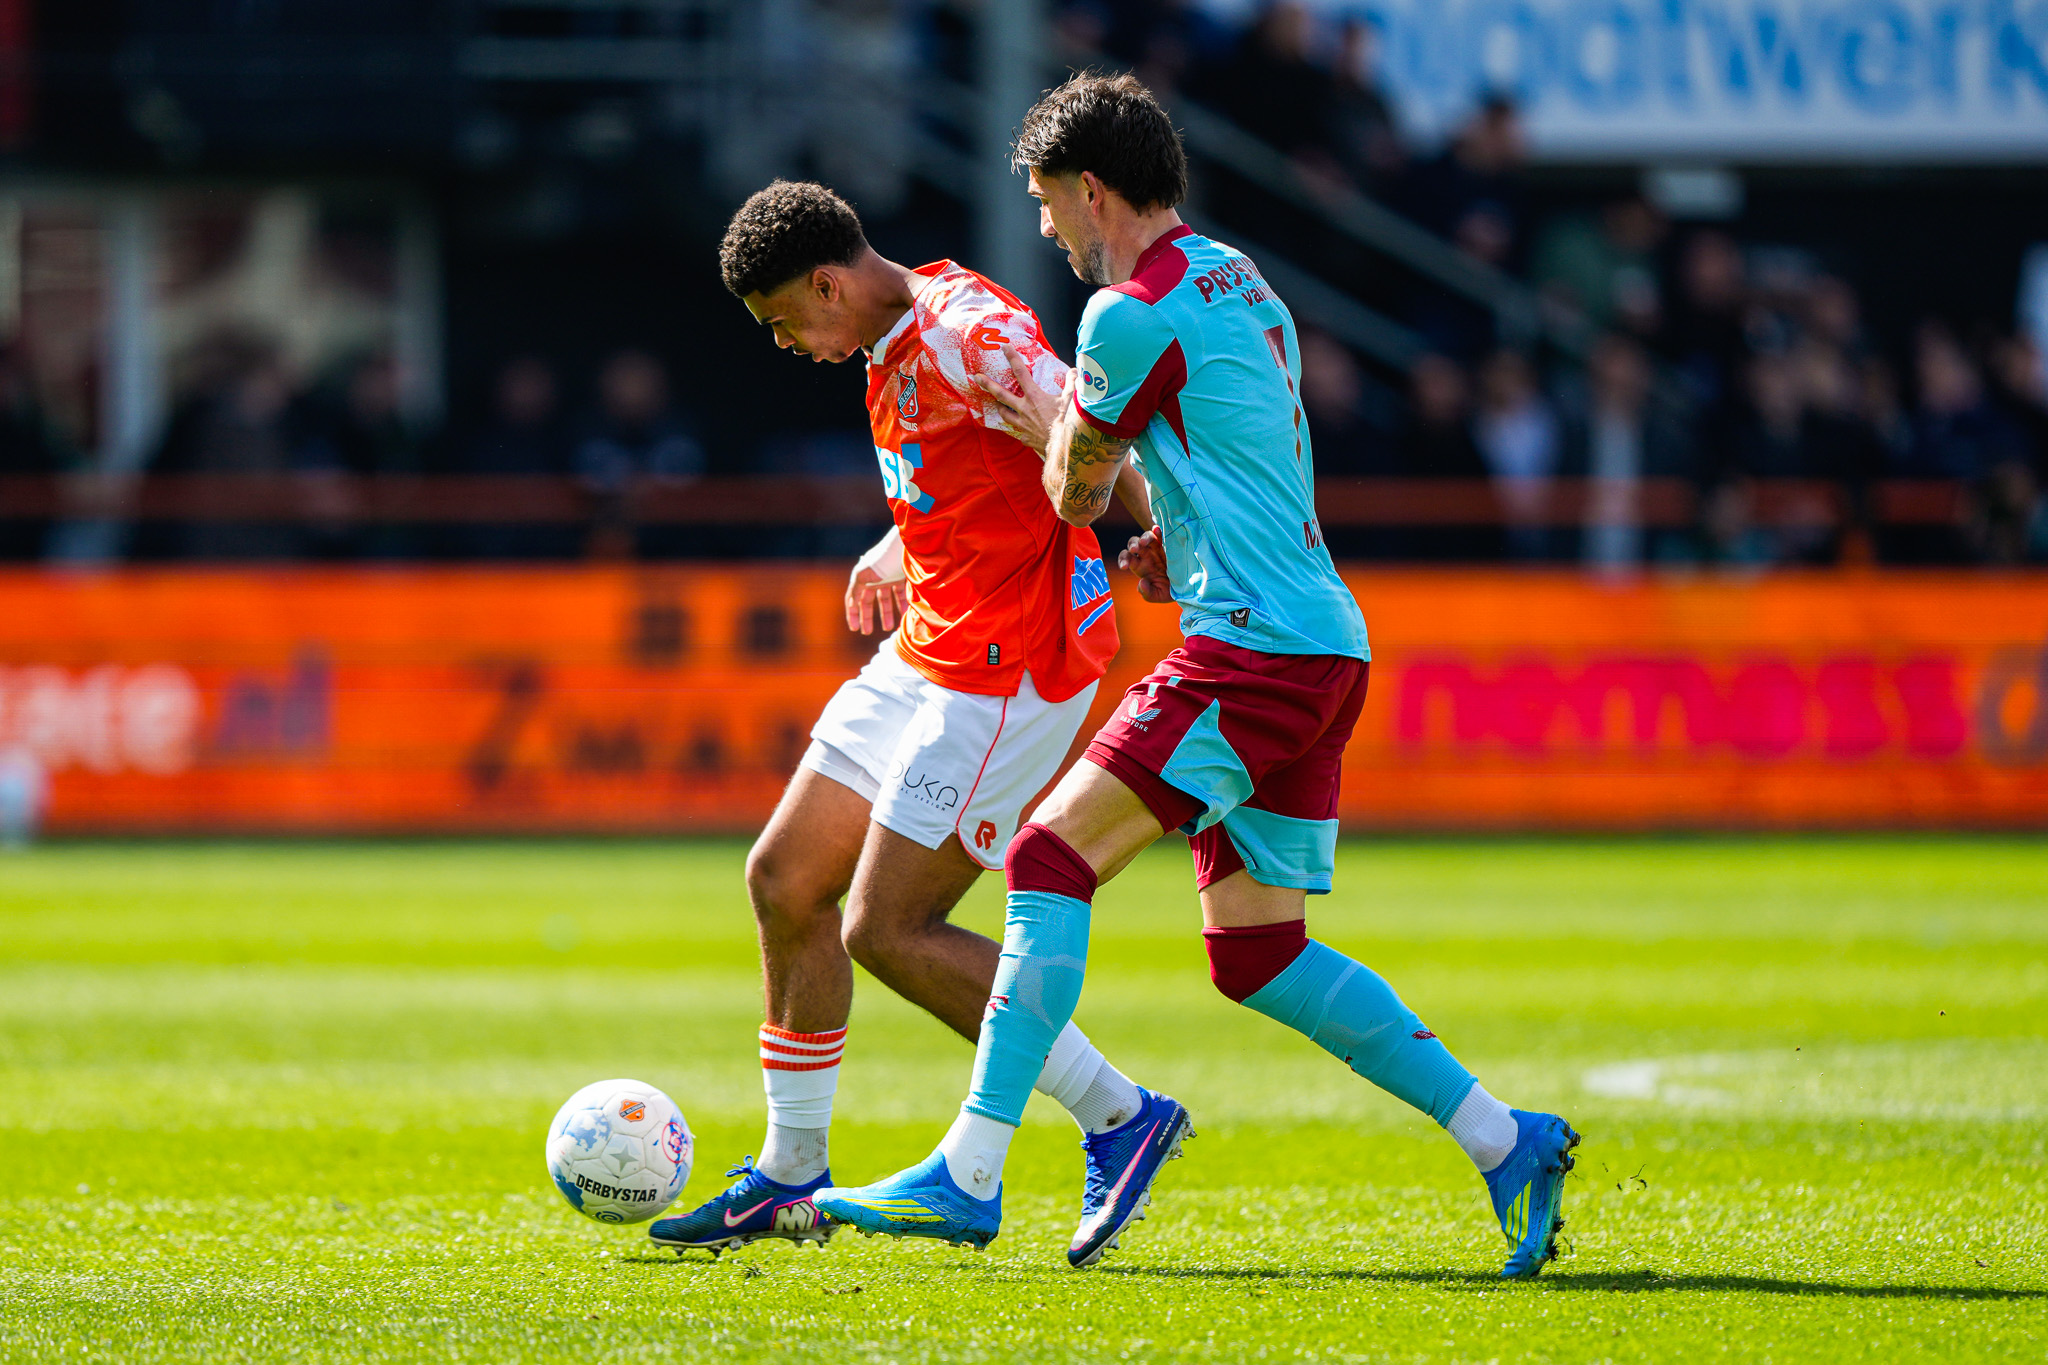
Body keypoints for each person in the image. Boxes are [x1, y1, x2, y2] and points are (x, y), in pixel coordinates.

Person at [818, 73, 1580, 1280]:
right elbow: (1252, 435)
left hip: (1249, 649)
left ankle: (970, 1169)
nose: (1044, 231)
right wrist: (1184, 531)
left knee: (1047, 859)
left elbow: (1071, 489)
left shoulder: (1122, 315)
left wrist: (1094, 478)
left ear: (1091, 189)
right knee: (1257, 955)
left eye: (1046, 205)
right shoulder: (1239, 275)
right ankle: (1505, 1141)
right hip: (1321, 635)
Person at [647, 180, 1174, 1269]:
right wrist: (906, 538)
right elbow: (978, 465)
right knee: (784, 879)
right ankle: (792, 1176)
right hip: (933, 639)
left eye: (785, 322)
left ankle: (1119, 1115)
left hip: (1007, 669)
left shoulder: (967, 334)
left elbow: (1091, 424)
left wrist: (1173, 543)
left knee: (886, 930)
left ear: (827, 284)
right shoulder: (896, 324)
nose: (788, 345)